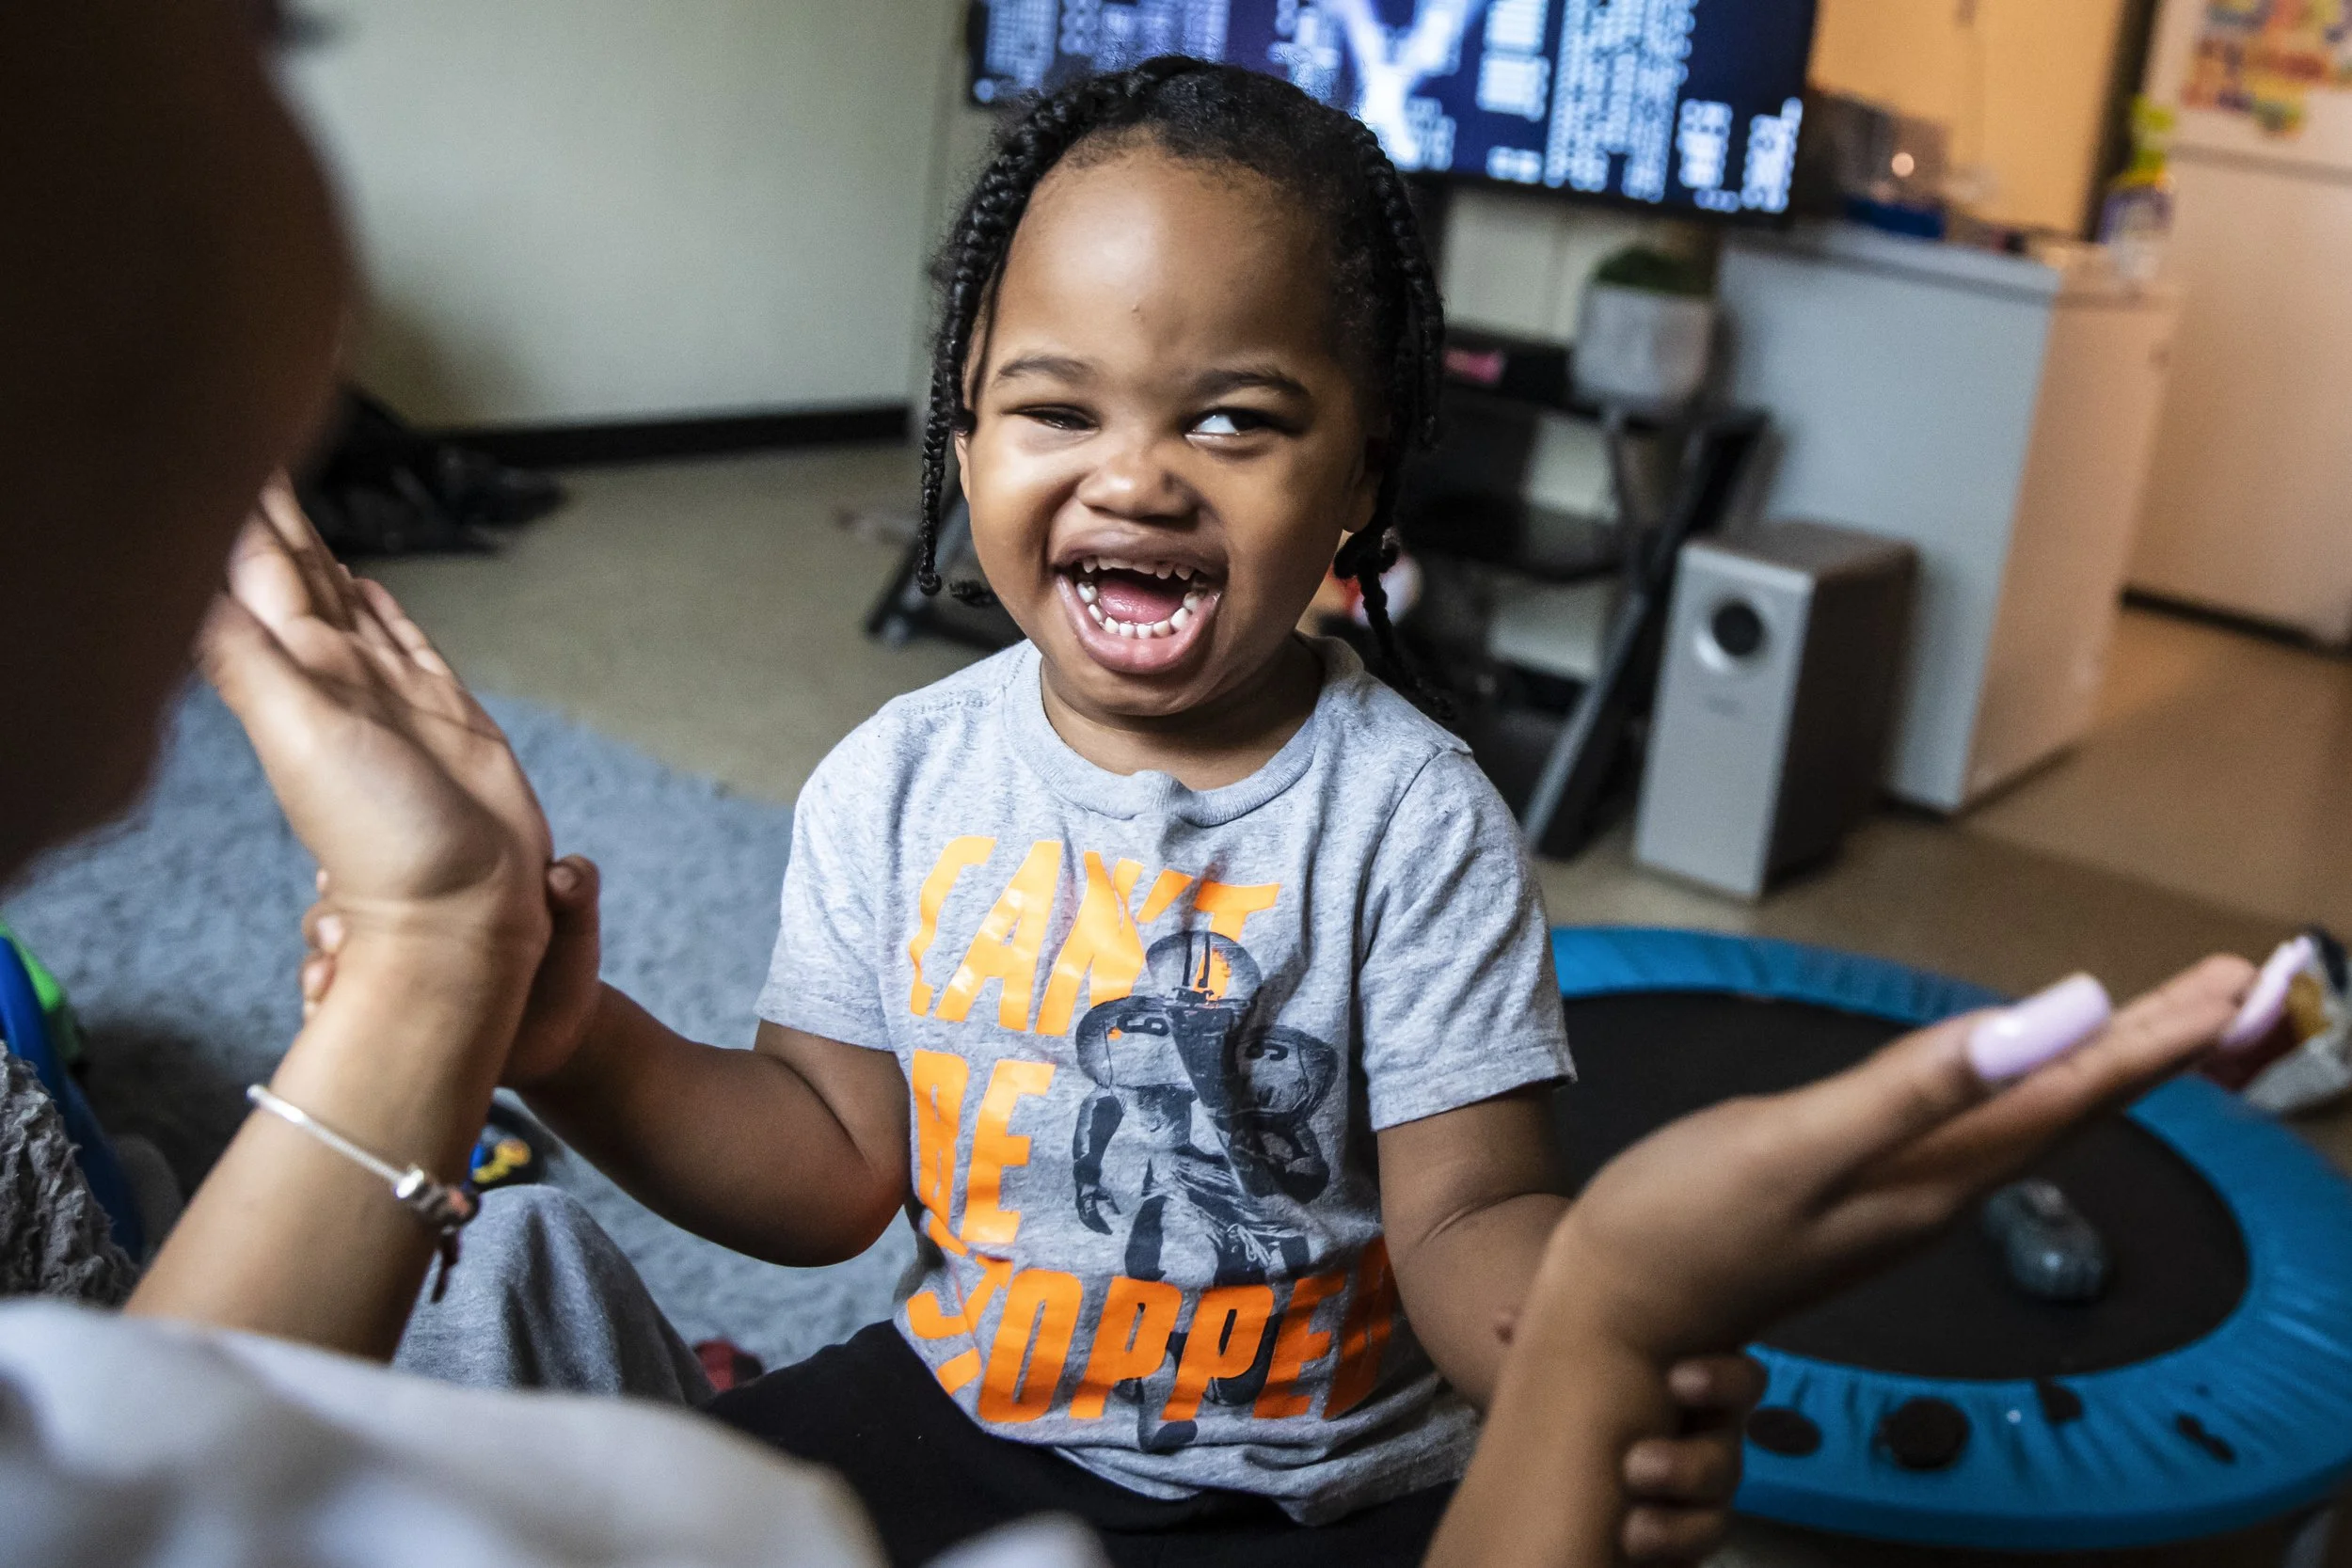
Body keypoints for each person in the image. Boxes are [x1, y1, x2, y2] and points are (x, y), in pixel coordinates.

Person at [0, 8, 2268, 1566]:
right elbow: (831, 1165)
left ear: (1364, 477)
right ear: (963, 438)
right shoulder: (901, 774)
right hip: (964, 1397)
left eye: (1236, 419)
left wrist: (1591, 1316)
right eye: (1050, 407)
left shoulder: (1412, 817)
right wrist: (573, 1038)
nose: (1134, 478)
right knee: (621, 1430)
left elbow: (1467, 1219)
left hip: (1324, 1482)